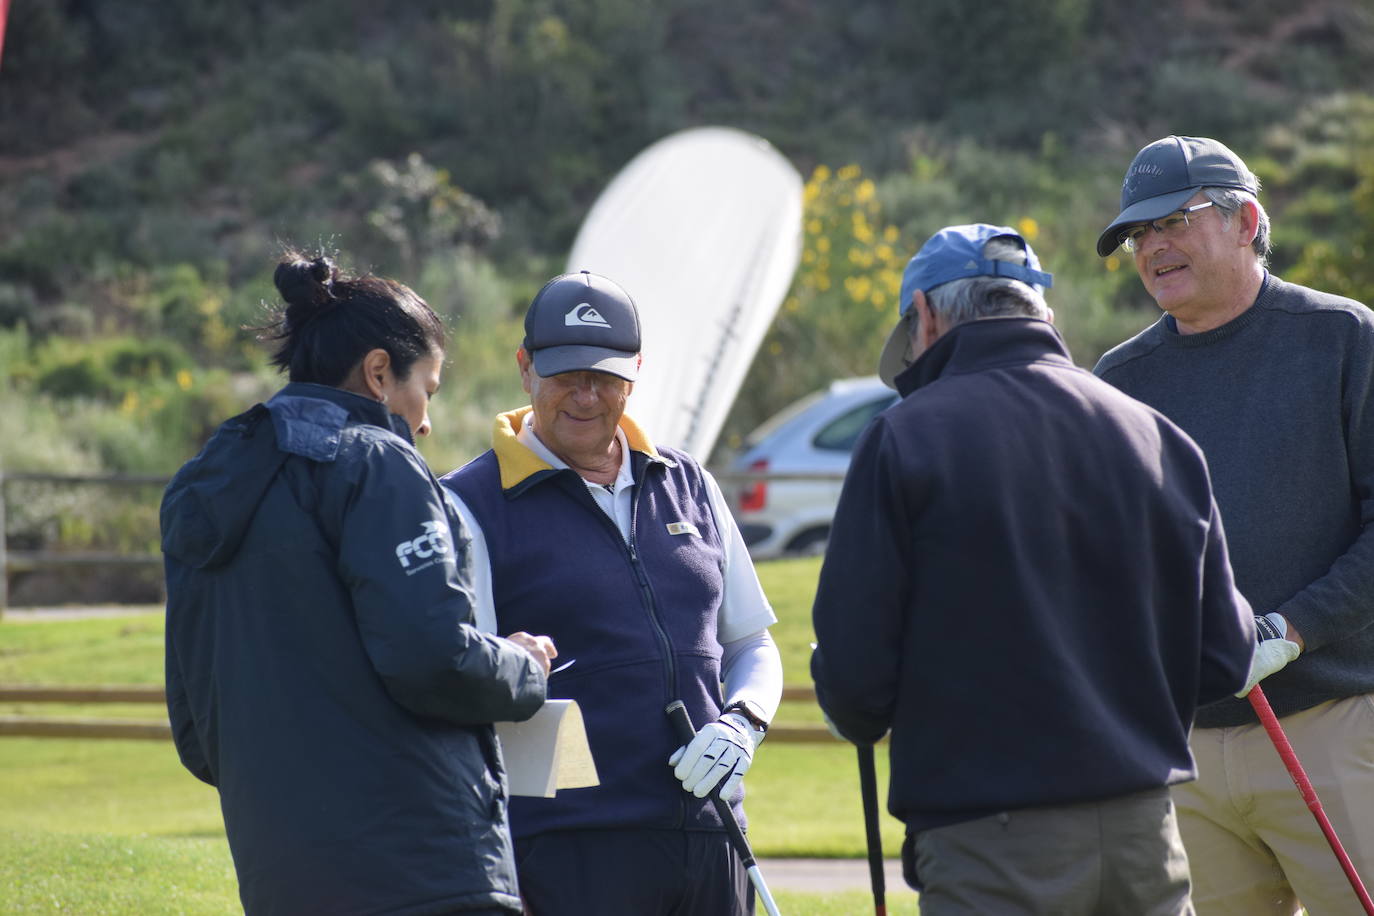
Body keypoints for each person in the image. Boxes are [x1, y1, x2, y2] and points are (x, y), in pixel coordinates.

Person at [810, 223, 1257, 915]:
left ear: (926, 315)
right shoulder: (1156, 435)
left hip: (991, 843)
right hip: (1147, 835)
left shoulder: (906, 437)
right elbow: (1226, 658)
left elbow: (856, 682)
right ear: (1040, 313)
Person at [161, 251, 557, 916]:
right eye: (426, 390)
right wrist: (523, 668)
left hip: (280, 875)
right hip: (420, 872)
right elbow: (432, 656)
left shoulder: (204, 482)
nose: (425, 420)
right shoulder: (376, 462)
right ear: (379, 372)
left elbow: (198, 732)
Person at [440, 269, 783, 916]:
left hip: (712, 834)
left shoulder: (690, 485)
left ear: (634, 375)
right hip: (567, 847)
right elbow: (466, 680)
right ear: (525, 369)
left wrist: (742, 724)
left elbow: (750, 642)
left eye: (604, 377)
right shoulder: (468, 504)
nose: (586, 396)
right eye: (566, 375)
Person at [1093, 135, 1374, 915]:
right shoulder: (1117, 383)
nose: (1154, 248)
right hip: (1182, 751)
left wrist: (1293, 627)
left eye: (1174, 222)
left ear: (1247, 219)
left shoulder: (1347, 339)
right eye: (1139, 235)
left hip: (1334, 726)